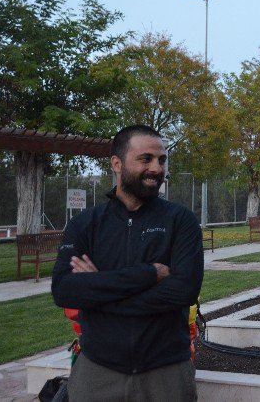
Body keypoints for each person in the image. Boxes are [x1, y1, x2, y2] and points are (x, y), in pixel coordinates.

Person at [51, 125, 203, 401]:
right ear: (117, 164)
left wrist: (99, 291)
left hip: (166, 371)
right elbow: (64, 290)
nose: (157, 168)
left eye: (162, 160)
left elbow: (184, 291)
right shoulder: (85, 224)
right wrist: (148, 274)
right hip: (98, 370)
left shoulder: (181, 221)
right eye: (146, 159)